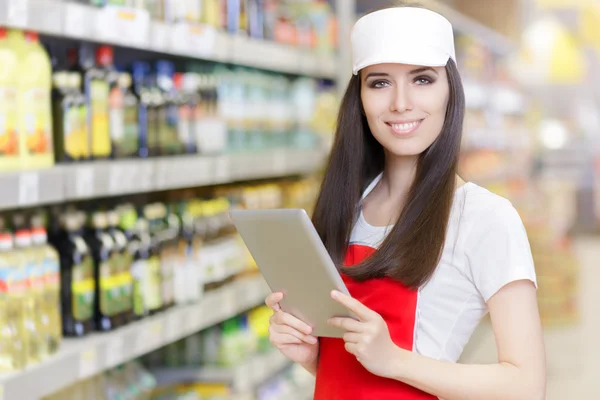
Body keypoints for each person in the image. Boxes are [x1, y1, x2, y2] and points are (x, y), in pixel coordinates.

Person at [265, 5, 546, 400]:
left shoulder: (484, 218)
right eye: (379, 83)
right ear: (358, 98)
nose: (400, 103)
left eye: (422, 79)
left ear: (450, 89)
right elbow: (354, 374)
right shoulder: (346, 205)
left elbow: (526, 387)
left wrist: (395, 360)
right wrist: (311, 354)